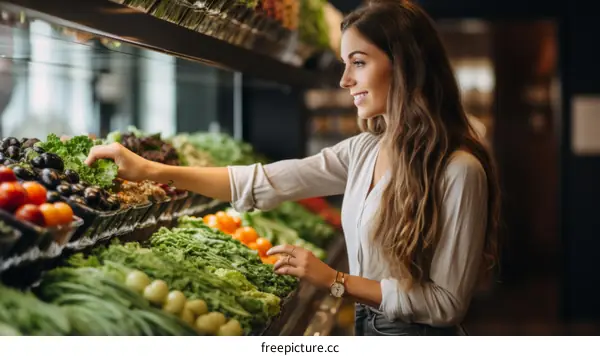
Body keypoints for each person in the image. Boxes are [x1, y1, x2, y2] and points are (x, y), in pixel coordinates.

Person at [86, 0, 501, 336]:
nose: (344, 80)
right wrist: (152, 171)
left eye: (358, 62)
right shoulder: (364, 151)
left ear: (405, 65)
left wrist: (335, 279)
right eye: (345, 63)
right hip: (366, 327)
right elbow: (263, 180)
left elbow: (446, 305)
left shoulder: (459, 170)